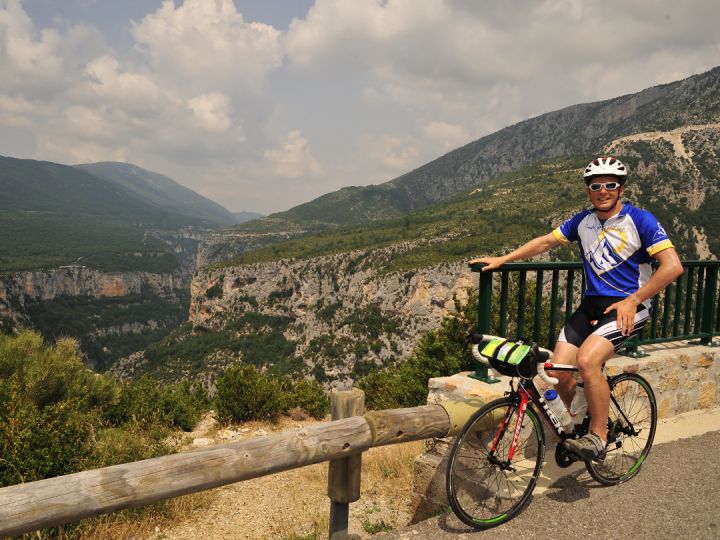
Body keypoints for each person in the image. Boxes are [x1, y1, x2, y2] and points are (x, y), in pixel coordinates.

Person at [469, 156, 683, 460]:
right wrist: (503, 260)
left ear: (621, 189)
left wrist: (633, 300)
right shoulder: (583, 222)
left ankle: (598, 436)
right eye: (596, 185)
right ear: (588, 191)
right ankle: (569, 431)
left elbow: (672, 267)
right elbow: (545, 242)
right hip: (590, 307)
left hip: (629, 309)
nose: (603, 190)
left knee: (587, 362)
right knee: (557, 371)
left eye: (611, 184)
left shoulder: (640, 220)